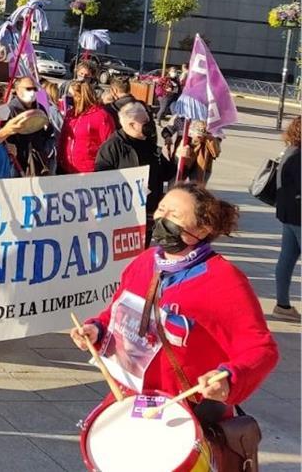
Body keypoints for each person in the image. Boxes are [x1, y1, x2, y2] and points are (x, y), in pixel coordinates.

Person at [70, 183, 279, 428]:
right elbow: (117, 312)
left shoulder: (224, 279)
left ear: (202, 229)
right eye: (161, 209)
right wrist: (96, 329)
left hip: (185, 413)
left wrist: (229, 378)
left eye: (175, 216)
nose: (162, 219)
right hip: (131, 400)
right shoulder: (145, 260)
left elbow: (261, 348)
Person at [95, 102, 179, 228]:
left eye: (149, 120)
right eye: (145, 121)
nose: (150, 124)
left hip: (147, 214)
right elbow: (101, 182)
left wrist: (177, 156)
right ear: (132, 124)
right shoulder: (112, 147)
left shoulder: (149, 144)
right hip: (123, 216)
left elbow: (167, 173)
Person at [0, 76, 57, 177]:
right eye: (28, 89)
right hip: (17, 166)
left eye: (34, 89)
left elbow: (50, 134)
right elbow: (0, 138)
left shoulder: (40, 108)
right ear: (18, 90)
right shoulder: (8, 111)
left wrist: (45, 149)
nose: (32, 92)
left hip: (39, 164)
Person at [273, 117, 301, 322]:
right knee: (286, 258)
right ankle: (282, 305)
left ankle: (283, 304)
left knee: (287, 258)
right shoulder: (299, 155)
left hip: (288, 214)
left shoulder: (290, 150)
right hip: (299, 214)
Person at [58, 79, 115, 175]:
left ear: (81, 96)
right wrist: (59, 159)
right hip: (66, 168)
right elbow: (63, 139)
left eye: (72, 96)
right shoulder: (70, 114)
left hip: (89, 171)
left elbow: (109, 146)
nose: (69, 98)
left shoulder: (101, 116)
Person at [172, 120, 222, 187]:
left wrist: (209, 138)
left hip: (203, 165)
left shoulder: (213, 122)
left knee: (197, 190)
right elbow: (168, 129)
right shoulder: (184, 116)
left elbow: (216, 152)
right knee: (173, 185)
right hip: (183, 158)